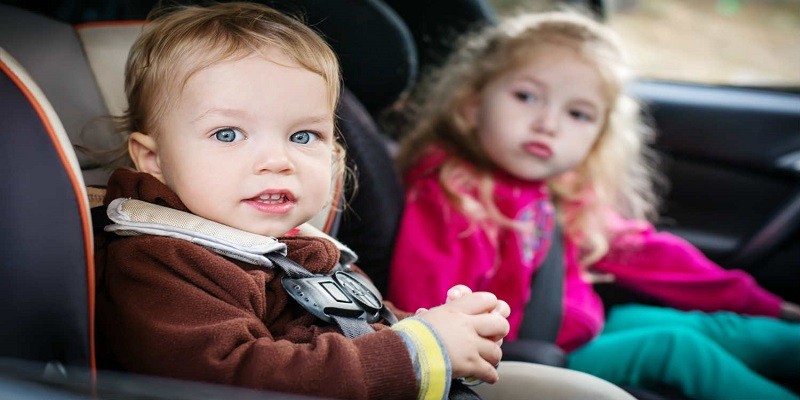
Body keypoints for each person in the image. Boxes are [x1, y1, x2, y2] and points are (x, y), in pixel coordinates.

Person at [93, 3, 635, 400]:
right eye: (228, 135)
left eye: (303, 137)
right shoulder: (164, 260)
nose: (277, 160)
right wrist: (417, 350)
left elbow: (358, 322)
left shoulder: (298, 246)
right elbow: (230, 377)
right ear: (153, 159)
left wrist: (439, 326)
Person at [387, 10, 800, 400]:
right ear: (472, 105)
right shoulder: (453, 195)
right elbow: (433, 316)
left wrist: (769, 306)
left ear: (598, 138)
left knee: (719, 329)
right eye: (527, 96)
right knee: (677, 347)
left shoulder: (556, 189)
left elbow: (652, 256)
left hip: (581, 327)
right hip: (530, 356)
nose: (548, 123)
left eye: (578, 114)